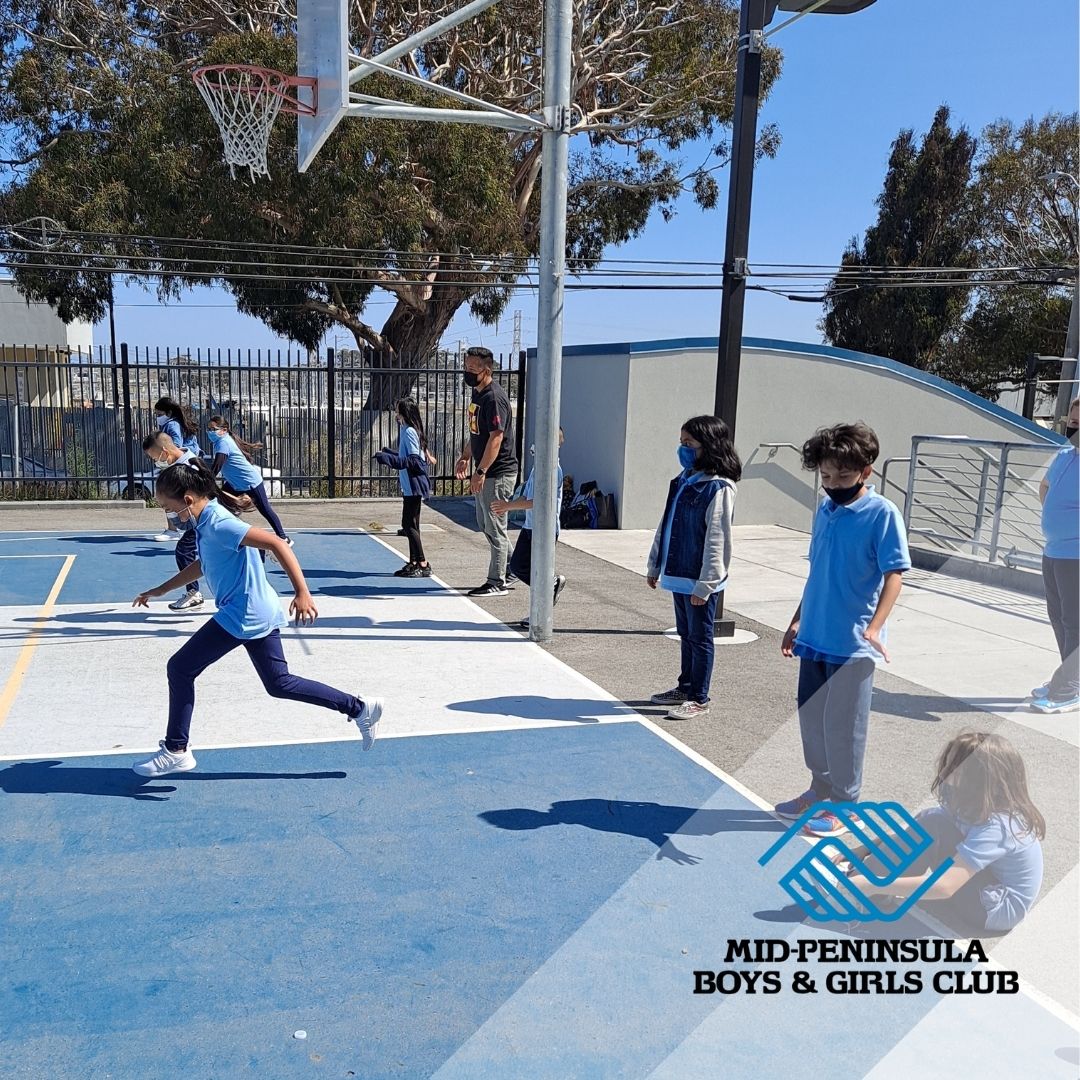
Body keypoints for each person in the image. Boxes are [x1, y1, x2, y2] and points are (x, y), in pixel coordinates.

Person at [130, 458, 381, 777]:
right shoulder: (207, 522)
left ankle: (177, 749)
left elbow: (276, 542)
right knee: (279, 683)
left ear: (188, 499)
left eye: (169, 508)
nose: (169, 515)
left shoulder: (220, 523)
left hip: (243, 614)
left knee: (180, 668)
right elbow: (203, 563)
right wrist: (161, 589)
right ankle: (360, 708)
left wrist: (302, 592)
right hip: (255, 611)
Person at [775, 422, 910, 838]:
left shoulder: (882, 514)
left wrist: (875, 628)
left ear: (866, 472)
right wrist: (798, 619)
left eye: (843, 476)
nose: (832, 484)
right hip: (815, 636)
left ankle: (846, 804)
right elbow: (817, 572)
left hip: (853, 644)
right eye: (826, 476)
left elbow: (895, 575)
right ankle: (820, 789)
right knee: (811, 720)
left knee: (844, 727)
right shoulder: (825, 510)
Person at [839, 732, 1044, 934]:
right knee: (931, 822)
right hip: (985, 885)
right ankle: (865, 881)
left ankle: (869, 891)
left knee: (934, 825)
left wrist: (876, 884)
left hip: (993, 909)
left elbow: (946, 886)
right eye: (948, 761)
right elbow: (916, 831)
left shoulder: (1000, 826)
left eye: (955, 766)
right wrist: (864, 847)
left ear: (979, 777)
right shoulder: (974, 802)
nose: (945, 769)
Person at [646, 415, 740, 722]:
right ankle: (685, 686)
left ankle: (699, 697)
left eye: (689, 444)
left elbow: (718, 538)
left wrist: (707, 583)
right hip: (678, 574)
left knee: (701, 638)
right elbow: (667, 524)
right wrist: (655, 564)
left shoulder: (719, 488)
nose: (683, 449)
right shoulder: (684, 479)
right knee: (686, 634)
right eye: (681, 443)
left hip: (699, 579)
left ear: (709, 447)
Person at [453, 346, 519, 597]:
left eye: (473, 369)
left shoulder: (493, 398)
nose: (468, 372)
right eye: (466, 367)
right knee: (485, 523)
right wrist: (466, 456)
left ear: (486, 369)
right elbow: (476, 432)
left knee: (494, 525)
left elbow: (496, 438)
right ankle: (514, 567)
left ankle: (497, 581)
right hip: (486, 470)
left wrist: (480, 471)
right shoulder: (477, 395)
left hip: (498, 473)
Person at [491, 429, 567, 629]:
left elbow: (539, 501)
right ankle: (545, 595)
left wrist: (507, 506)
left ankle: (545, 599)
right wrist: (507, 504)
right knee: (520, 567)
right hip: (531, 526)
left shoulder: (552, 470)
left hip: (544, 530)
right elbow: (526, 497)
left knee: (525, 568)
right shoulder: (537, 468)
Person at [1032, 396, 1079, 713]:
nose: (1072, 427)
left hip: (1076, 555)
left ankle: (1072, 687)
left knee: (1074, 622)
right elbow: (1045, 485)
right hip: (1054, 551)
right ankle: (1067, 676)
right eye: (1071, 422)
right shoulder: (1065, 455)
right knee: (1058, 618)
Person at [206, 415, 291, 548]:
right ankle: (231, 534)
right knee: (221, 505)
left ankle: (284, 538)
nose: (210, 432)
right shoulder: (220, 442)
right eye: (209, 429)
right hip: (235, 483)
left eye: (213, 429)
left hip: (250, 481)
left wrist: (205, 480)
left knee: (265, 509)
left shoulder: (223, 443)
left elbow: (217, 467)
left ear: (224, 430)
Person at [143, 431, 204, 611]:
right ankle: (194, 592)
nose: (156, 461)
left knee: (186, 551)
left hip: (202, 518)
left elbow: (202, 494)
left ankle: (194, 593)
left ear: (164, 450)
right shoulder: (174, 465)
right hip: (195, 519)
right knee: (208, 554)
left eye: (155, 457)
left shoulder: (189, 465)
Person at [374, 397, 433, 578]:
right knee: (411, 525)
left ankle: (422, 563)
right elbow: (405, 456)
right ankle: (414, 561)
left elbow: (415, 461)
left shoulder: (409, 432)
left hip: (413, 486)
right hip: (410, 486)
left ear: (404, 413)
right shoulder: (408, 430)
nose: (396, 415)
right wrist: (388, 452)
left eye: (398, 411)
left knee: (409, 525)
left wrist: (389, 460)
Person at [150, 398, 201, 543]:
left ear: (169, 412)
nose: (158, 417)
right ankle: (176, 528)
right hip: (181, 464)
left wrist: (164, 457)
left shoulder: (172, 425)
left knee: (169, 495)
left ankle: (173, 530)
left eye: (160, 414)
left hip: (179, 465)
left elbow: (176, 444)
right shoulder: (172, 424)